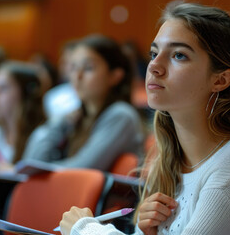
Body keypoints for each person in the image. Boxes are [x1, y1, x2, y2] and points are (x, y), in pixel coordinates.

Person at [59, 2, 230, 235]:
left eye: (179, 55)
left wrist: (85, 229)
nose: (154, 66)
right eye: (154, 53)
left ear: (220, 80)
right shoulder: (168, 160)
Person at [23, 35, 144, 171]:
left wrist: (38, 171)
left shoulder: (121, 115)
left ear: (115, 76)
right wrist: (58, 124)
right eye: (73, 68)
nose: (77, 76)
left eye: (88, 68)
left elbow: (81, 169)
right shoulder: (75, 119)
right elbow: (32, 161)